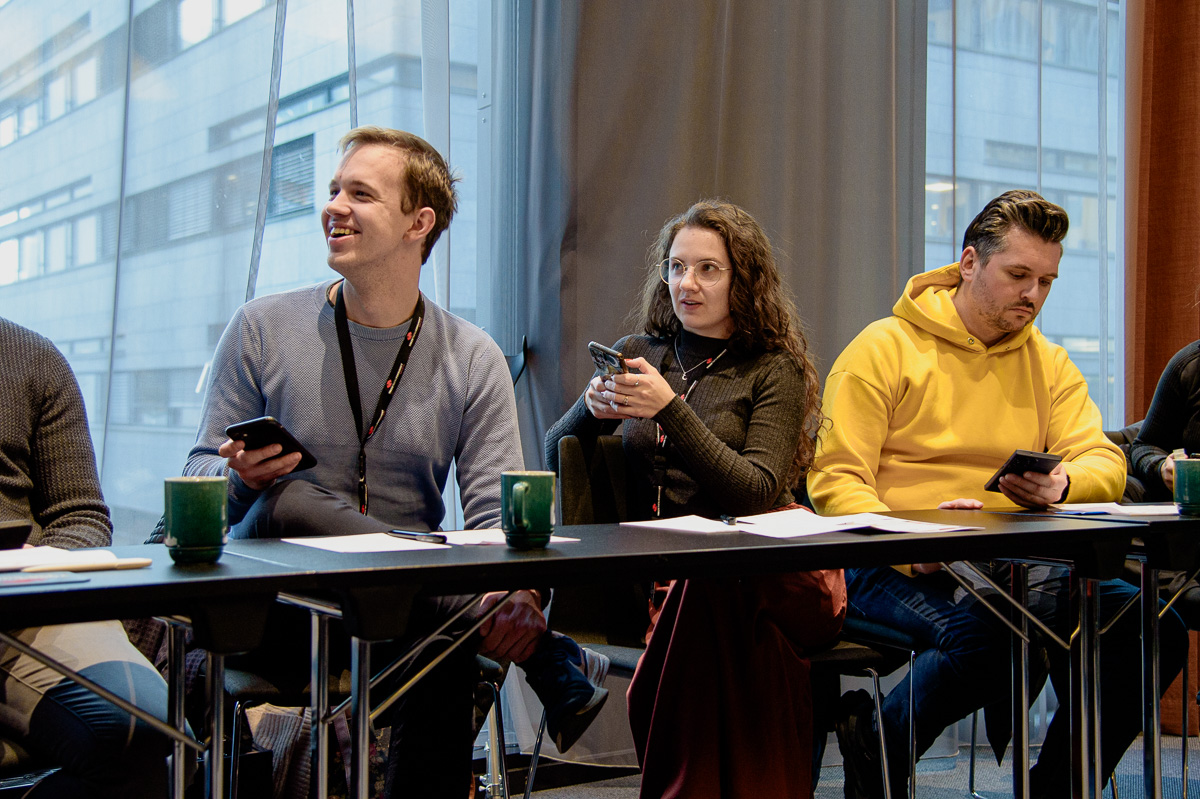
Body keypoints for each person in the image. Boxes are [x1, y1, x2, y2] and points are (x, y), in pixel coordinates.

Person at [184, 126, 605, 795]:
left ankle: (470, 616)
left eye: (360, 193)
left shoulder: (472, 354)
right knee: (290, 501)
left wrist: (522, 592)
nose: (334, 207)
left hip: (408, 620)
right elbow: (197, 480)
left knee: (443, 638)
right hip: (280, 605)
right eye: (332, 191)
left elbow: (500, 515)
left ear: (420, 222)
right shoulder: (261, 327)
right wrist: (236, 480)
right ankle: (535, 649)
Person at [808, 189, 1188, 798]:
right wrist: (916, 545)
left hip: (1007, 560)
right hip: (888, 557)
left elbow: (1105, 462)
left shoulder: (1049, 362)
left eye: (1045, 280)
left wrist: (1061, 483)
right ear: (968, 263)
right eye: (1017, 275)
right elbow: (835, 481)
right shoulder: (882, 349)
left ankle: (1058, 786)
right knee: (989, 638)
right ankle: (880, 739)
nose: (1032, 295)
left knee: (1147, 625)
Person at [546, 200, 846, 799]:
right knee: (699, 583)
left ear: (744, 279)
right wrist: (590, 406)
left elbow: (758, 491)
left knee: (710, 581)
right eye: (676, 267)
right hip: (656, 571)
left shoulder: (772, 369)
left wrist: (669, 410)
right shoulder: (644, 350)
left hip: (762, 567)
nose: (687, 283)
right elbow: (557, 450)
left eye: (708, 269)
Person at [0, 316, 183, 797]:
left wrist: (35, 570)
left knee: (139, 725)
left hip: (24, 604)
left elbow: (81, 515)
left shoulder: (30, 355)